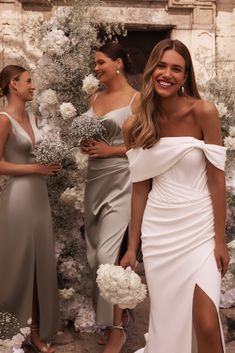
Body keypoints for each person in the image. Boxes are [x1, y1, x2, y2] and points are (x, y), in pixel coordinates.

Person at [120, 39, 229, 353]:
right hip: (160, 233)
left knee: (207, 324)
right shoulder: (135, 126)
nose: (167, 74)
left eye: (176, 69)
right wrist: (132, 247)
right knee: (168, 320)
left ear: (185, 76)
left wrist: (219, 239)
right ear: (151, 70)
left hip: (200, 228)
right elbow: (140, 187)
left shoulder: (203, 112)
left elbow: (216, 180)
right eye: (162, 66)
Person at [80, 42, 140, 353]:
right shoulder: (95, 96)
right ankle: (119, 312)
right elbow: (91, 137)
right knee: (94, 256)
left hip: (121, 180)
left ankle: (116, 329)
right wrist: (87, 144)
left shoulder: (137, 99)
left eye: (101, 62)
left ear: (118, 63)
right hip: (94, 180)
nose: (97, 68)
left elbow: (147, 145)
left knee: (107, 255)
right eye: (95, 63)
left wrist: (110, 150)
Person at [0, 65, 60, 353]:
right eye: (28, 81)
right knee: (19, 265)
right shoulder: (3, 120)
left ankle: (36, 332)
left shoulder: (33, 117)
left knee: (40, 264)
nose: (33, 86)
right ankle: (10, 332)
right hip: (17, 199)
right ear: (13, 84)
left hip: (39, 197)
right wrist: (37, 167)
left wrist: (51, 162)